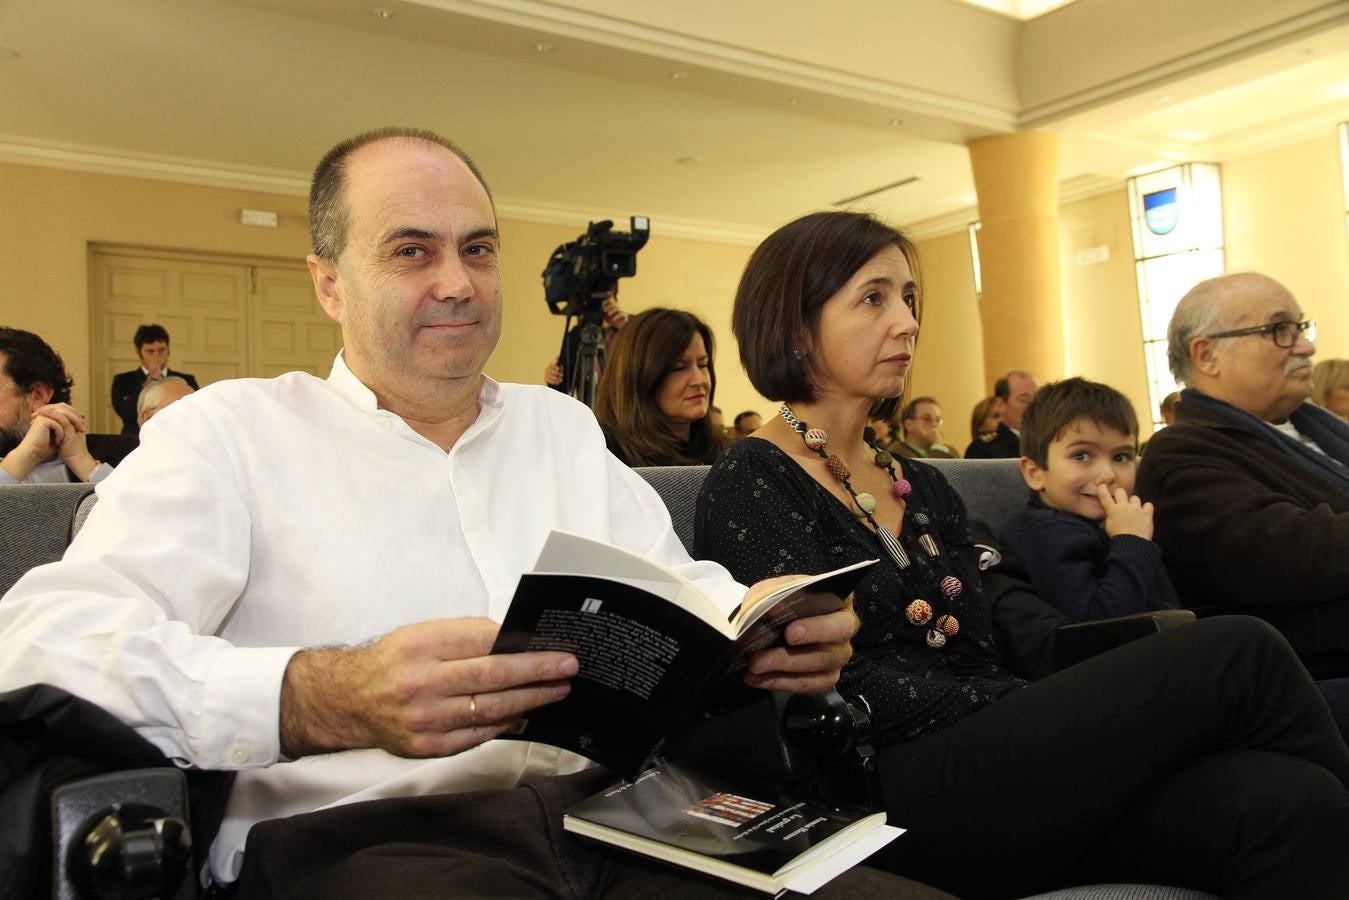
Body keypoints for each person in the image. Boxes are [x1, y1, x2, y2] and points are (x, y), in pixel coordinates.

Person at [0, 130, 911, 899]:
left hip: (626, 822)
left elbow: (678, 591)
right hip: (372, 844)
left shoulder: (558, 428)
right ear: (327, 283)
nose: (459, 282)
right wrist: (315, 695)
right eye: (411, 251)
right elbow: (42, 640)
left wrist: (764, 620)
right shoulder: (229, 432)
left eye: (477, 249)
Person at [695, 210, 1349, 899]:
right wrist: (1027, 712)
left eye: (909, 298)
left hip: (1003, 768)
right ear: (795, 327)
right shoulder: (753, 479)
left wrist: (1039, 715)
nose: (907, 322)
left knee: (1290, 802)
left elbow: (985, 646)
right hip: (883, 792)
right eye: (873, 297)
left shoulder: (922, 485)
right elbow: (817, 688)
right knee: (1237, 648)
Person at [1136, 272, 1349, 677]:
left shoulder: (1319, 428)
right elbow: (1289, 554)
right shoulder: (1182, 453)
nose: (1306, 345)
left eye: (1300, 327)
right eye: (1280, 330)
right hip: (1309, 675)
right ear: (1206, 355)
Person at [1001, 377, 1178, 620]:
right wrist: (1132, 542)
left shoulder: (1110, 524)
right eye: (1081, 456)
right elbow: (1099, 625)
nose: (1106, 475)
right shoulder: (1044, 533)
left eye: (1121, 457)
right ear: (1035, 473)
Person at [593, 308, 725, 467]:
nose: (699, 380)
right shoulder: (608, 458)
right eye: (678, 368)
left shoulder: (723, 454)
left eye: (703, 364)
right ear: (639, 376)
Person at [0, 327, 112, 485]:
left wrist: (86, 465)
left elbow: (142, 508)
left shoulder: (127, 453)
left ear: (39, 394)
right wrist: (21, 460)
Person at [110, 324, 199, 435]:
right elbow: (125, 413)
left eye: (161, 350)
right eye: (150, 351)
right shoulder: (123, 380)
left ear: (168, 350)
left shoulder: (187, 380)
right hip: (134, 440)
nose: (156, 356)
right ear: (139, 352)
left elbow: (195, 411)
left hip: (179, 437)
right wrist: (152, 379)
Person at [966, 370, 1036, 458]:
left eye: (1038, 399)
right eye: (1024, 400)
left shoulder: (1048, 443)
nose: (1033, 407)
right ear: (1002, 404)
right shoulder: (982, 449)